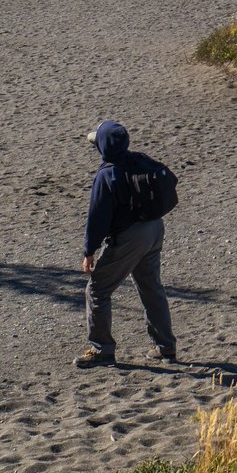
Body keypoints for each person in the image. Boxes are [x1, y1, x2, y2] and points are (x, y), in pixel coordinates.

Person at [78, 120, 178, 368]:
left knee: (97, 290)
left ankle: (102, 349)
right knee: (151, 287)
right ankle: (165, 347)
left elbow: (97, 218)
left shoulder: (106, 174)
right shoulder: (139, 159)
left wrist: (89, 251)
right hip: (155, 228)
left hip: (131, 237)